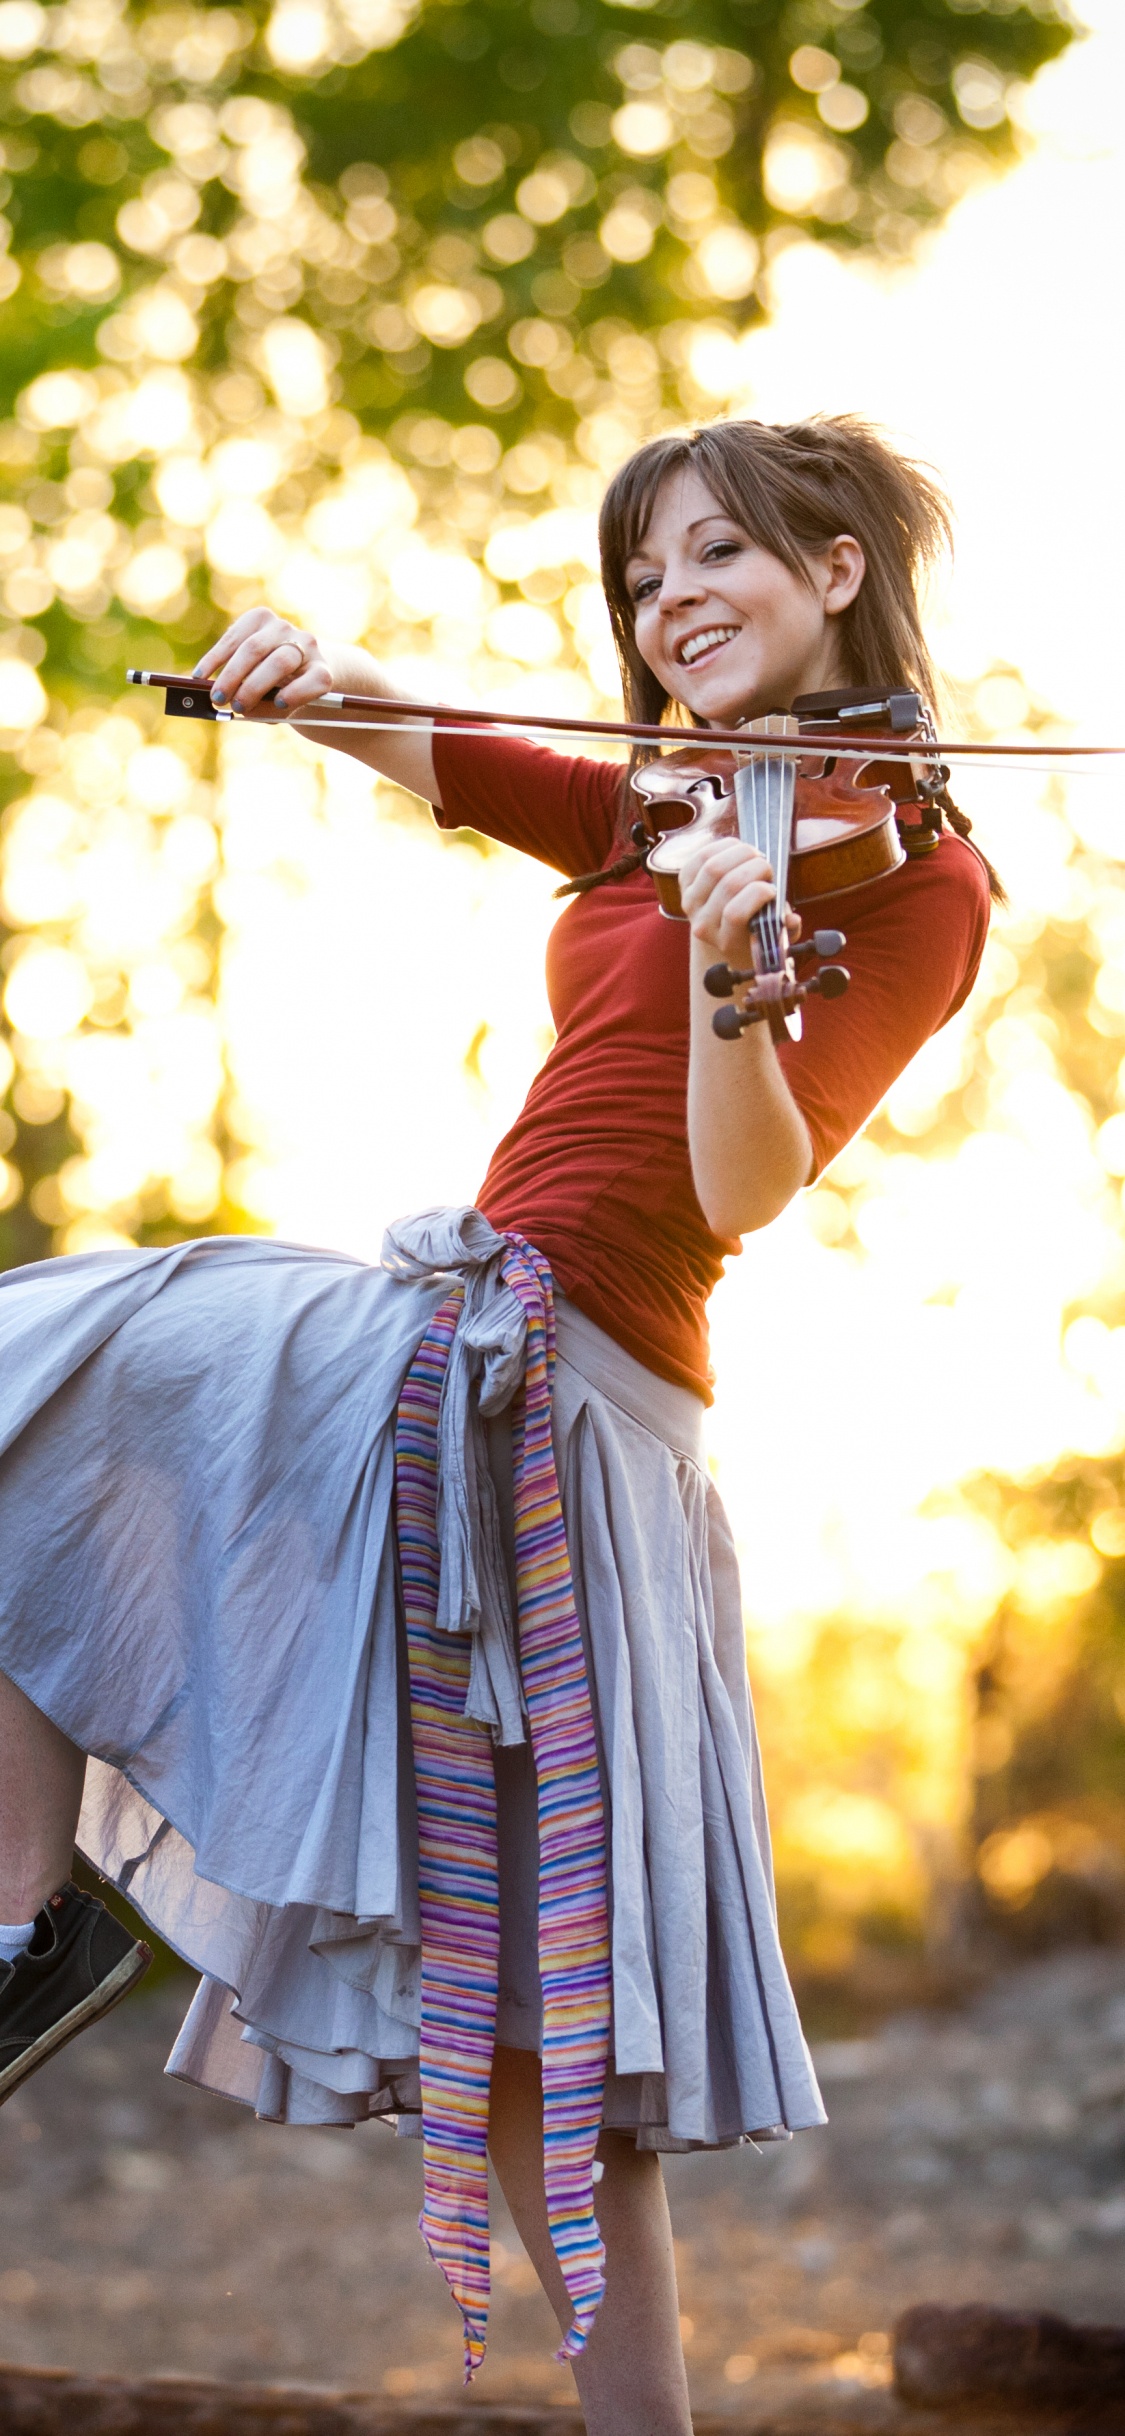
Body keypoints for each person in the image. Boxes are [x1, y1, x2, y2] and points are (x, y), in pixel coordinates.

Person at [0, 415, 992, 2434]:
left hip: (589, 1415)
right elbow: (436, 744)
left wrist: (734, 964)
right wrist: (310, 678)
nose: (667, 603)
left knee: (551, 2063)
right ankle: (31, 1923)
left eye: (715, 554)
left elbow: (740, 1192)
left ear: (833, 572)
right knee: (31, 1401)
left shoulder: (915, 878)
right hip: (429, 1352)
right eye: (638, 579)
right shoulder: (659, 808)